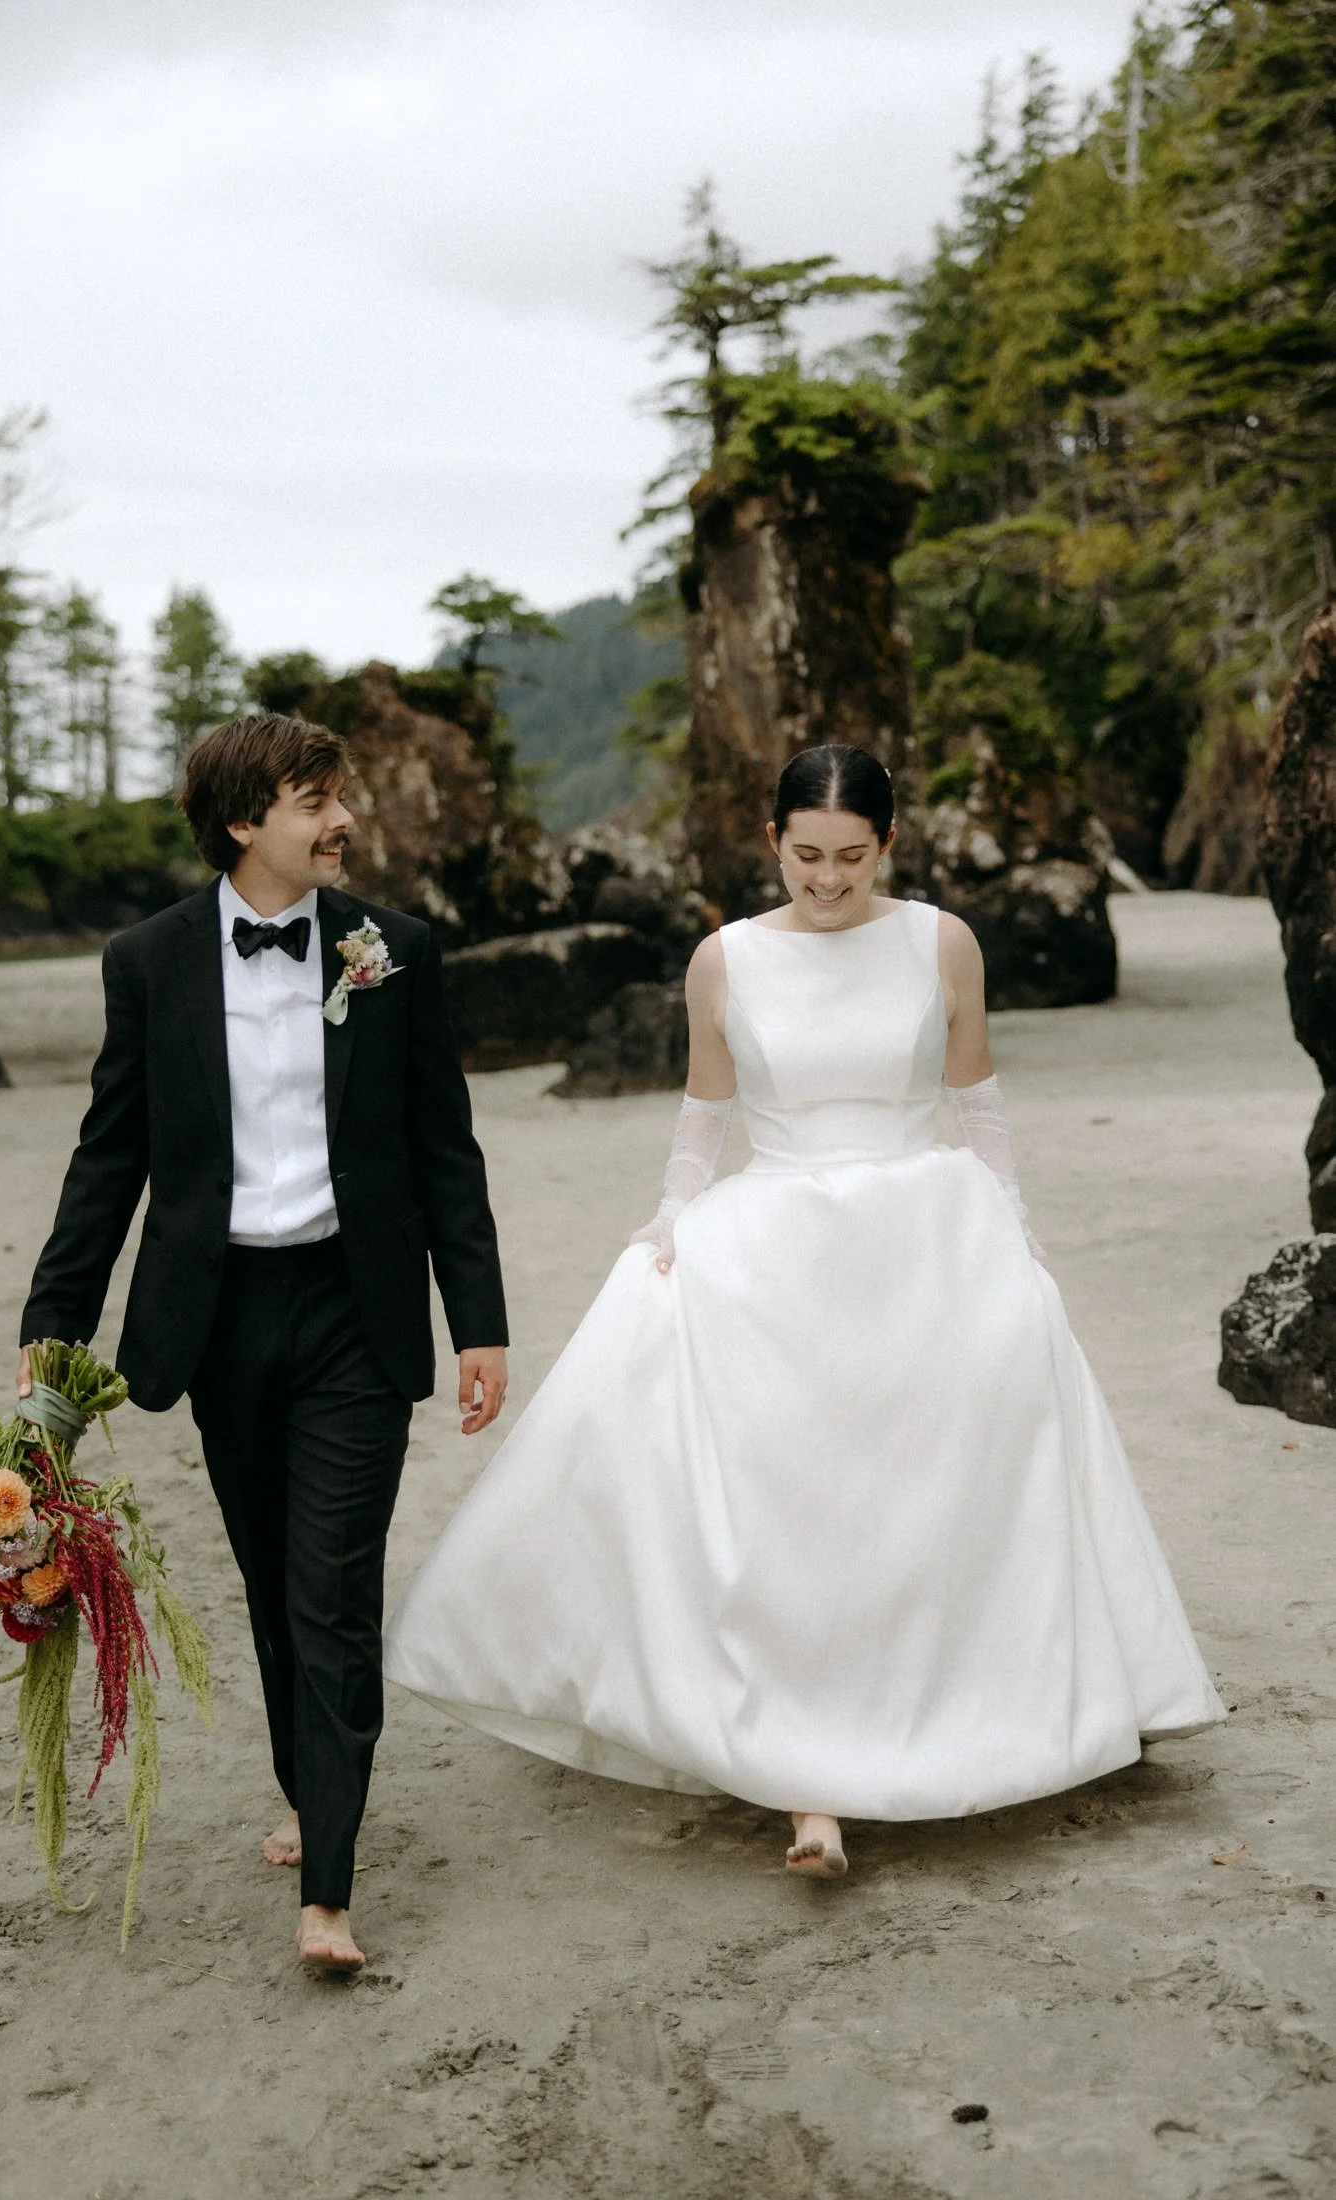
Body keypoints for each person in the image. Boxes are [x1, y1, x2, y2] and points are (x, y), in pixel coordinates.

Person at [384, 743, 1223, 1879]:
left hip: (927, 1235)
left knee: (920, 1499)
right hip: (773, 1240)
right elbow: (704, 1113)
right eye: (806, 854)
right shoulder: (724, 958)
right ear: (772, 837)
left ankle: (941, 1715)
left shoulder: (942, 941)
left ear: (888, 845)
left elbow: (976, 1102)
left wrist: (1016, 1234)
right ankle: (806, 1787)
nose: (826, 880)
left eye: (852, 856)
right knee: (783, 1508)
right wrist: (668, 1219)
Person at [17, 712, 508, 1968]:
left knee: (332, 1586)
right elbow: (112, 1151)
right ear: (245, 821)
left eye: (339, 794)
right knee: (273, 1593)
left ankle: (329, 1895)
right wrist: (54, 1317)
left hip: (358, 1309)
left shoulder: (392, 949)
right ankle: (310, 1785)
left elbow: (444, 1147)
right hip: (221, 1317)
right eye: (314, 798)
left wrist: (480, 1325)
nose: (341, 818)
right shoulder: (149, 961)